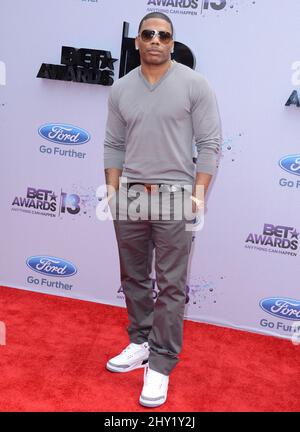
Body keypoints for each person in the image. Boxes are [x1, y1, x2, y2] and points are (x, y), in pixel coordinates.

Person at [103, 12, 222, 408]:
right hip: (130, 196)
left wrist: (197, 194)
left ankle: (161, 363)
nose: (156, 40)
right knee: (134, 276)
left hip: (176, 196)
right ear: (137, 41)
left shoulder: (194, 85)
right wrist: (113, 189)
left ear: (172, 43)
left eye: (164, 35)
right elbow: (113, 144)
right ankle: (140, 341)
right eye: (148, 34)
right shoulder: (120, 89)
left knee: (171, 285)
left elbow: (209, 144)